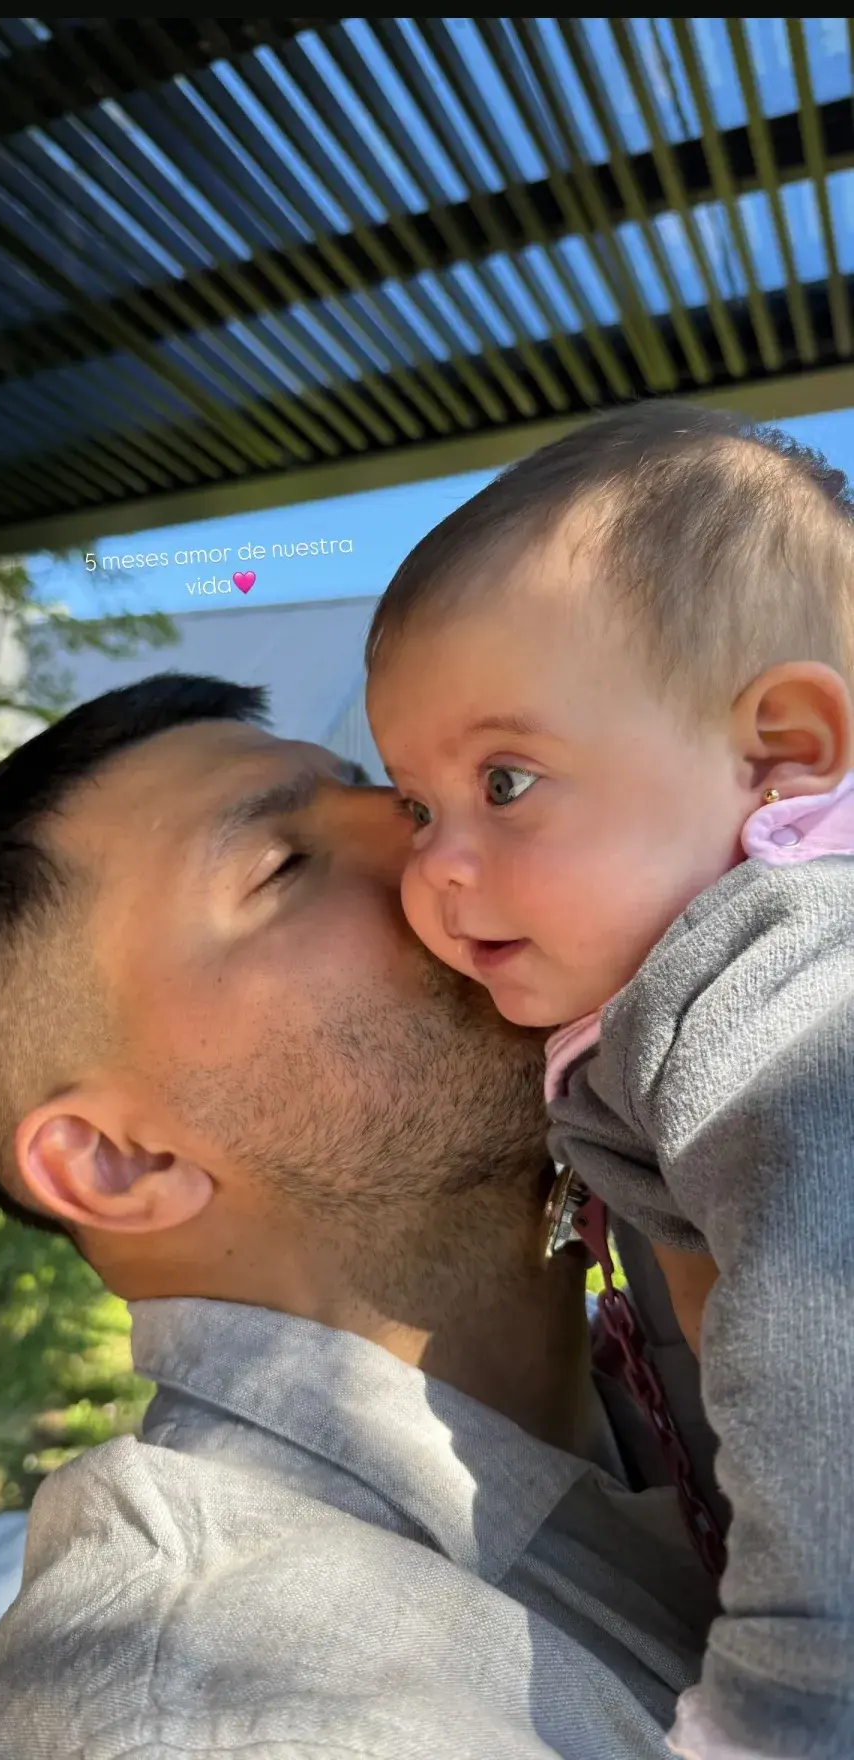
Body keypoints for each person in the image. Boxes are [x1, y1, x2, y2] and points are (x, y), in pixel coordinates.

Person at [0, 672, 719, 1760]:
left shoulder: (700, 1347)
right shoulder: (227, 1706)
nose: (419, 821)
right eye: (282, 864)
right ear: (120, 1159)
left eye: (374, 785)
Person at [364, 402, 854, 1759]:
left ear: (779, 755)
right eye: (415, 807)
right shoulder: (692, 987)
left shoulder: (783, 990)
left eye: (504, 780)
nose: (434, 867)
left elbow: (831, 1367)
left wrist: (784, 1714)